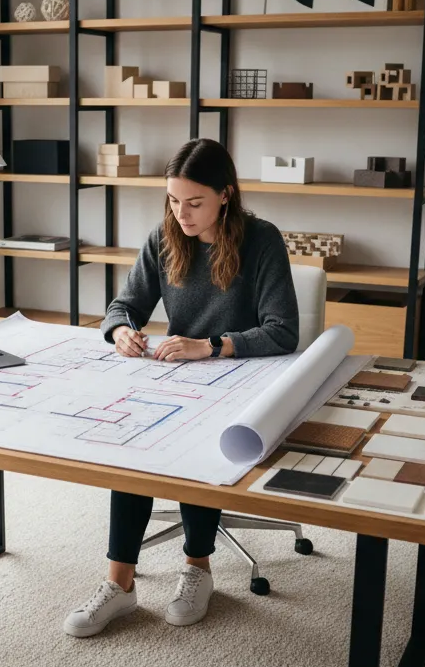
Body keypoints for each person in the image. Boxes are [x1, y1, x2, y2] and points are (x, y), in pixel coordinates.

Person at [63, 138, 300, 638]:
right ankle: (120, 585)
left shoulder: (262, 240)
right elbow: (124, 305)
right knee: (133, 443)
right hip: (177, 374)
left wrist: (209, 346)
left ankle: (198, 569)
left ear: (226, 195)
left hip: (240, 378)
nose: (182, 213)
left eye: (194, 202)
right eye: (173, 200)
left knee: (197, 444)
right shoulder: (165, 237)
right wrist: (120, 330)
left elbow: (283, 331)